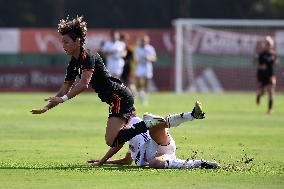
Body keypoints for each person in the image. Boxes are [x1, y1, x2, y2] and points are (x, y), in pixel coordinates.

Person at [30, 16, 169, 148]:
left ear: (77, 41)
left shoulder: (88, 56)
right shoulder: (73, 63)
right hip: (115, 98)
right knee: (114, 139)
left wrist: (63, 99)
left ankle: (148, 125)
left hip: (118, 96)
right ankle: (145, 126)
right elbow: (63, 90)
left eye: (66, 42)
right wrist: (46, 108)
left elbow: (84, 84)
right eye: (62, 42)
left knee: (111, 140)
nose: (63, 46)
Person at [87, 102, 217, 169]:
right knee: (155, 163)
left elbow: (117, 143)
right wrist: (105, 162)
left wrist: (102, 162)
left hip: (157, 141)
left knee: (149, 119)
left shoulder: (133, 121)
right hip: (161, 153)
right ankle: (199, 163)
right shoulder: (130, 139)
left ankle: (192, 115)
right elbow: (127, 161)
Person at [253, 36, 279, 114]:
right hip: (262, 75)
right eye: (267, 44)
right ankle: (259, 95)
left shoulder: (273, 54)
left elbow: (276, 62)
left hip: (271, 75)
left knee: (271, 91)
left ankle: (270, 109)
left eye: (269, 44)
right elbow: (255, 63)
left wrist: (276, 62)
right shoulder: (261, 54)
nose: (268, 45)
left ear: (271, 45)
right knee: (263, 92)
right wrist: (261, 66)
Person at [134, 35, 157, 105]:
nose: (144, 42)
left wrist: (148, 58)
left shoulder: (150, 48)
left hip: (147, 67)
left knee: (147, 83)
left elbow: (154, 58)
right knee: (138, 83)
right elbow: (135, 59)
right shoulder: (137, 49)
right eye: (143, 41)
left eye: (145, 41)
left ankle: (145, 98)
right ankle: (141, 94)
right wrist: (139, 59)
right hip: (140, 67)